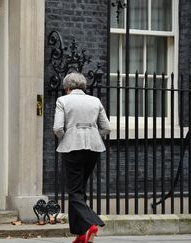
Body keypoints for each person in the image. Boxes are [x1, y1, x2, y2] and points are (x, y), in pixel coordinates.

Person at [53, 72, 111, 243]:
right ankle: (79, 235)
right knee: (79, 190)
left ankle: (91, 222)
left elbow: (57, 128)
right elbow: (106, 128)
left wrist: (67, 138)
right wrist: (93, 134)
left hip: (72, 149)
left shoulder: (63, 100)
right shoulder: (95, 101)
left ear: (67, 88)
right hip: (93, 149)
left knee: (73, 191)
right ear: (84, 87)